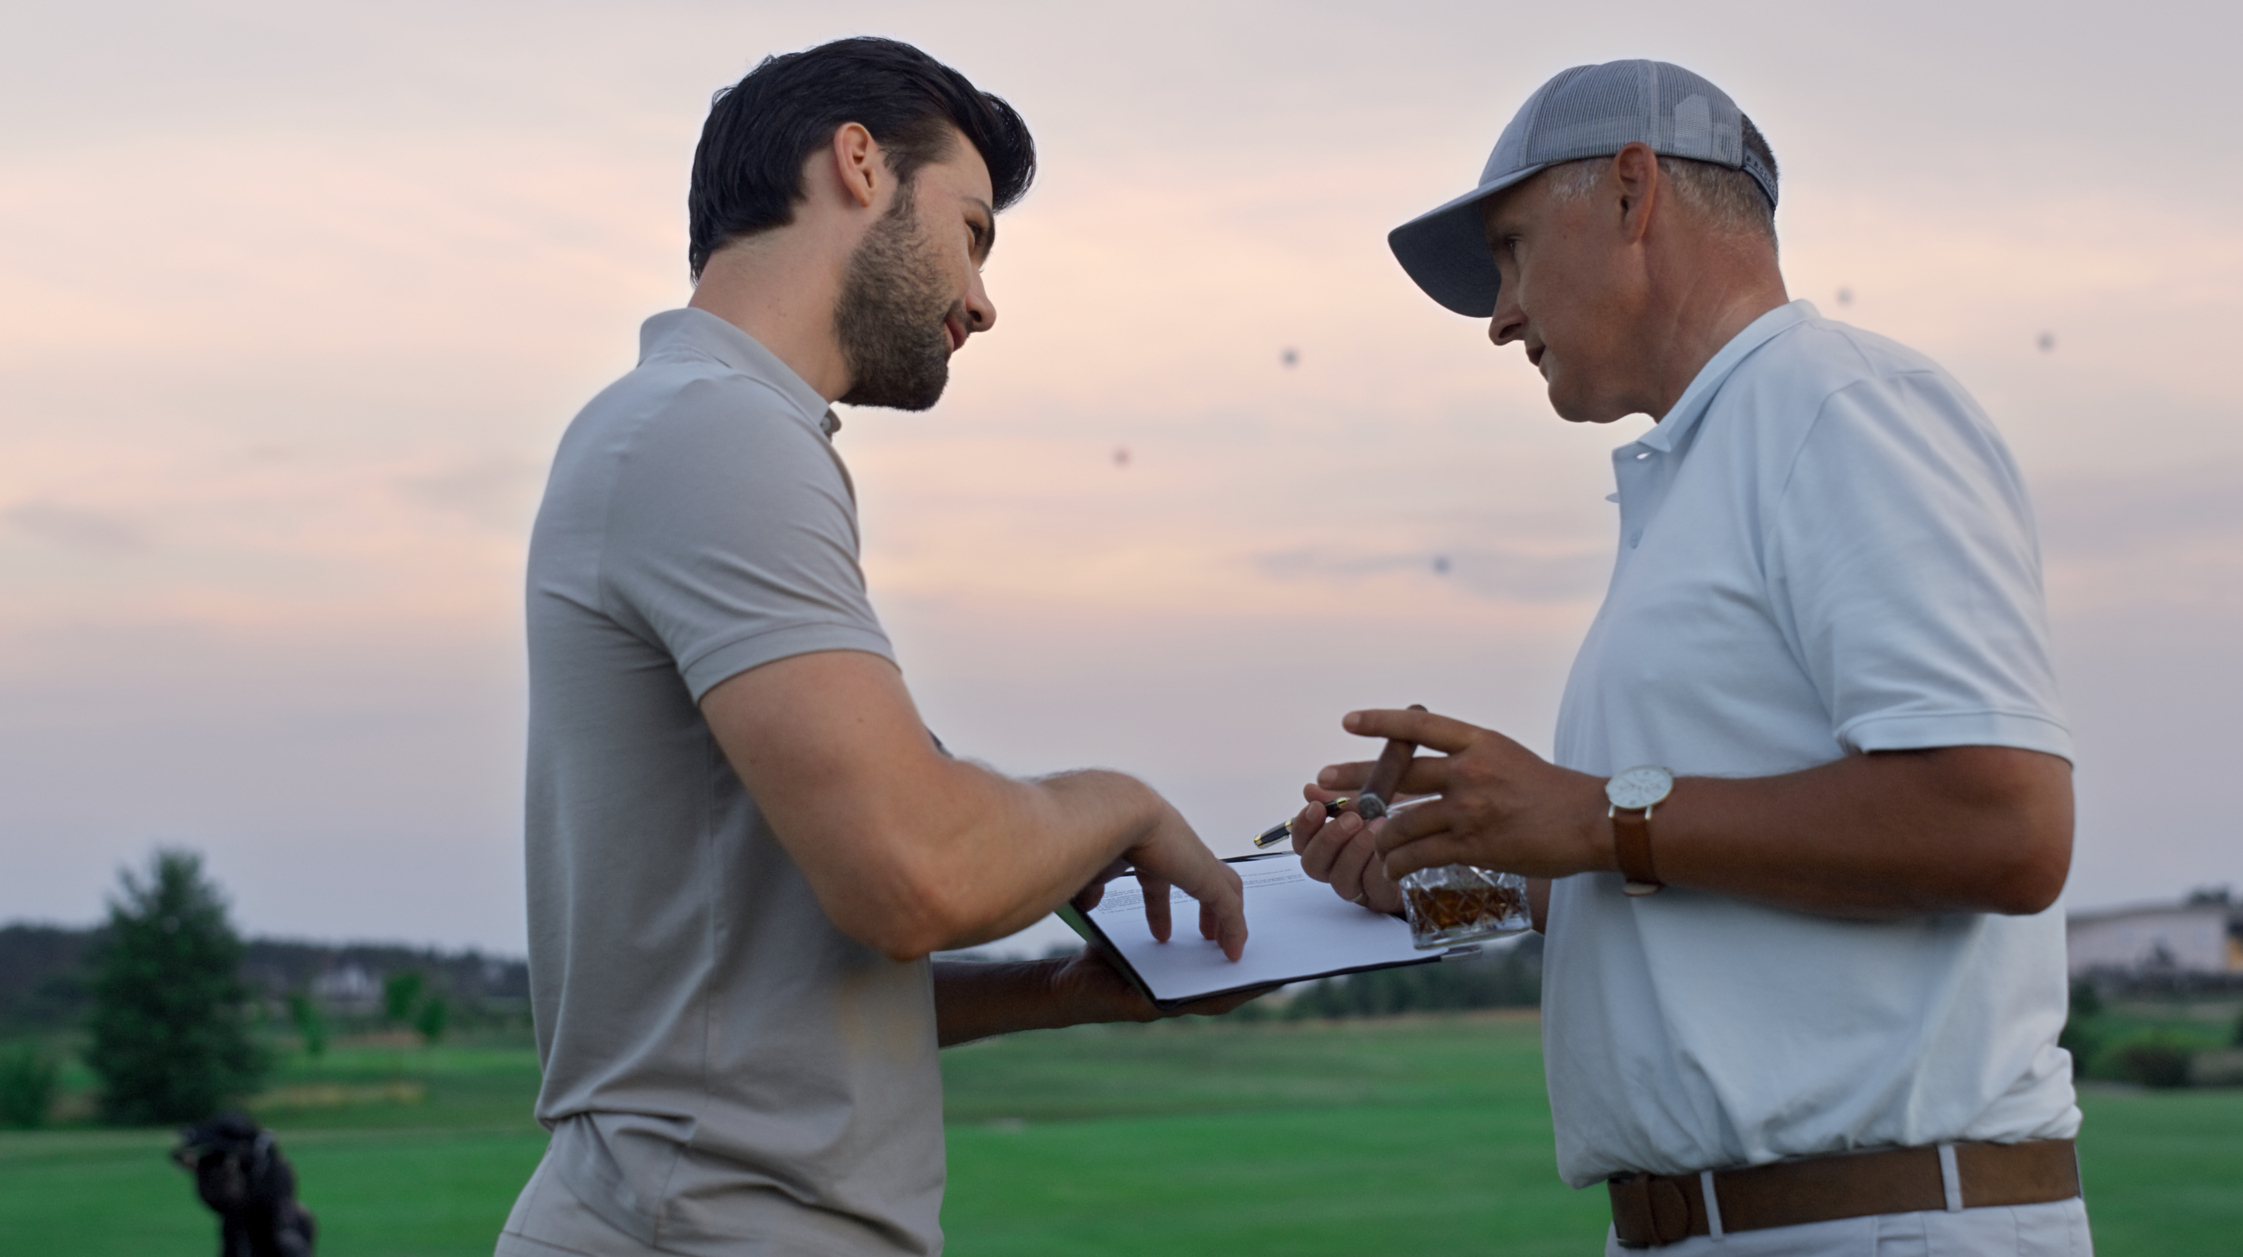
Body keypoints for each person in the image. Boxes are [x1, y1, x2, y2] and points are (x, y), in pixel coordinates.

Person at [1289, 61, 2091, 1255]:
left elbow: (2006, 827)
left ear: (1629, 194)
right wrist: (1447, 865)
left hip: (1878, 1226)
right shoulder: (1712, 466)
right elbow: (1650, 866)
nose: (1499, 314)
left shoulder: (1839, 409)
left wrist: (1589, 811)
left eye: (1508, 251)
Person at [496, 38, 1250, 1257]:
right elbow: (915, 875)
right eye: (972, 227)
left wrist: (1060, 992)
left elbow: (754, 992)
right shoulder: (716, 434)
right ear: (857, 164)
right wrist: (1120, 804)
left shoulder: (695, 430)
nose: (984, 299)